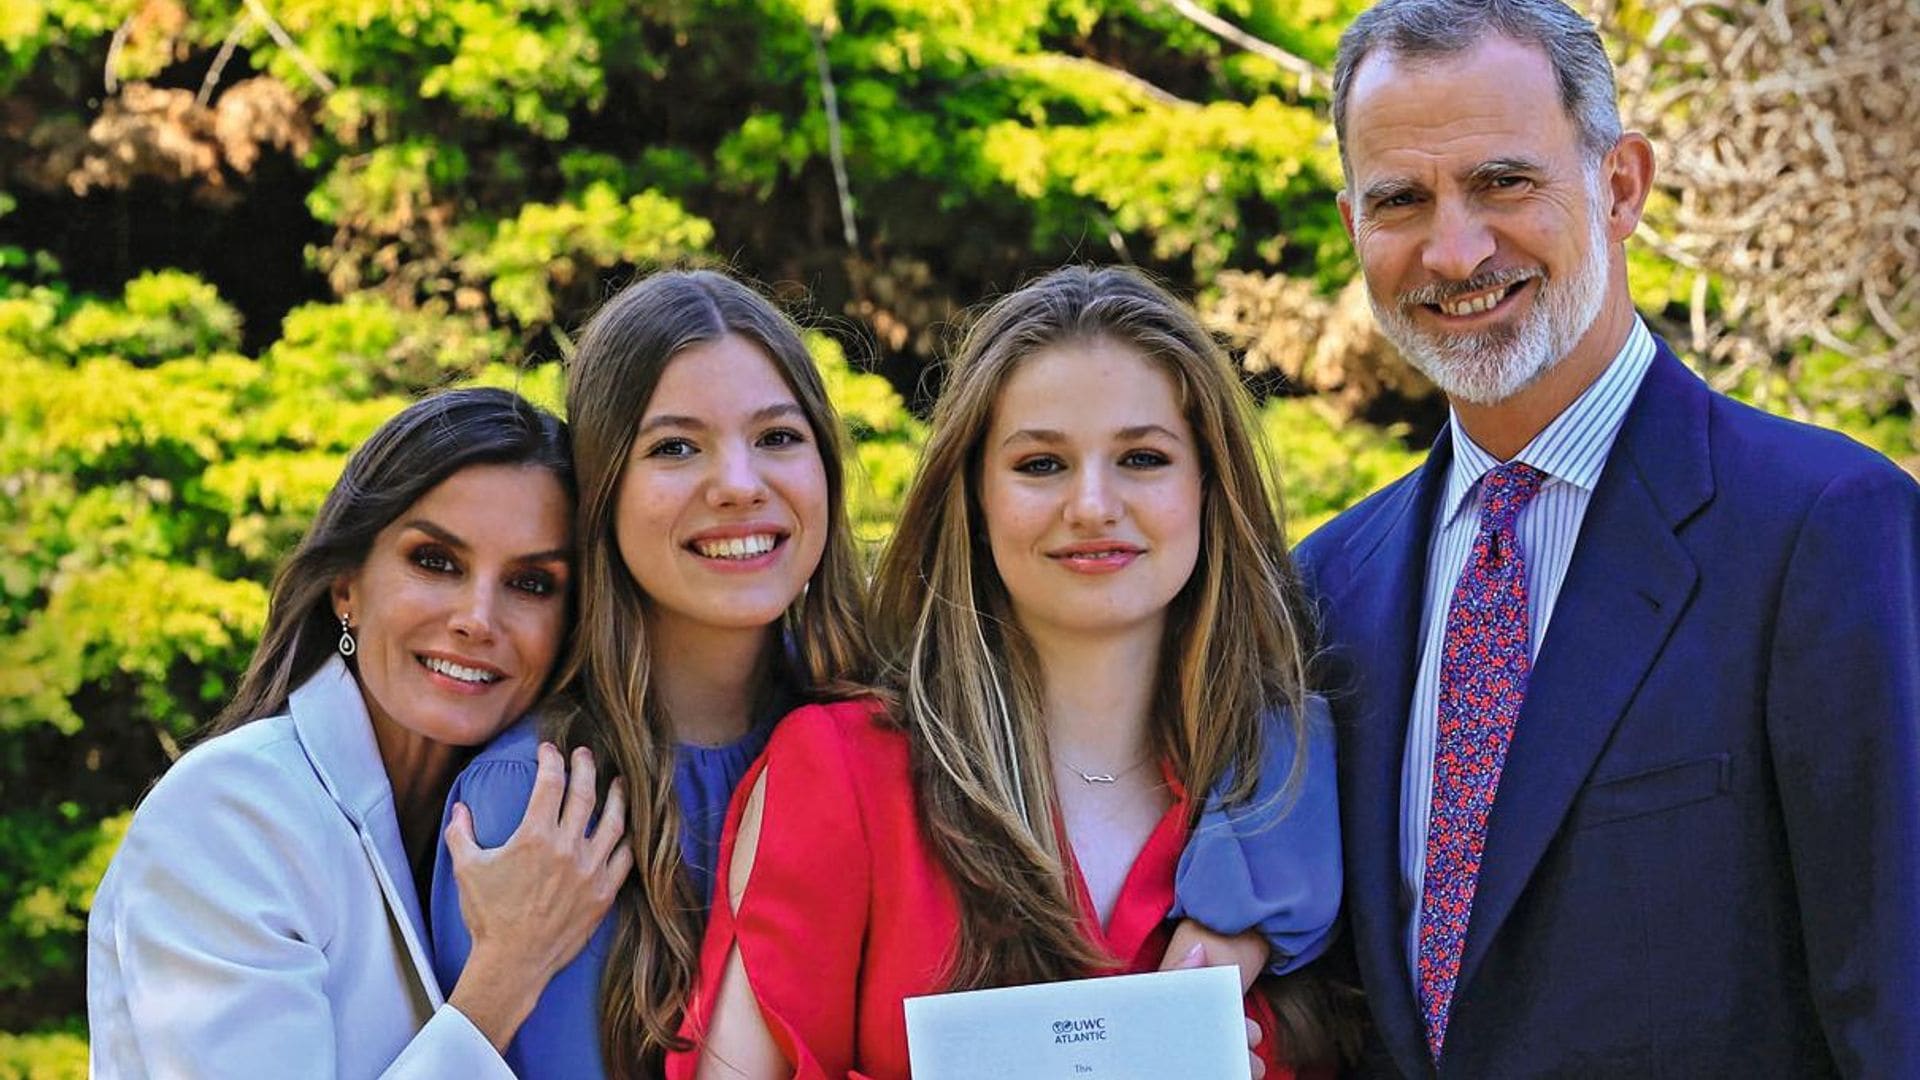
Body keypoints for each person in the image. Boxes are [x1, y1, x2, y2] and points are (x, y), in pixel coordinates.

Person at [1300, 0, 1920, 1075]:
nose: (1455, 249)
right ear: (1355, 224)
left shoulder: (1824, 527)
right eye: (1403, 199)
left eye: (1503, 182)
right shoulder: (1327, 587)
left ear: (1620, 185)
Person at [670, 265, 1342, 1080]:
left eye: (1142, 457)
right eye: (1041, 466)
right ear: (976, 500)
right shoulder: (843, 771)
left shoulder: (1290, 779)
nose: (1092, 504)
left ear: (1208, 486)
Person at [87, 388, 631, 1078]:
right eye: (436, 562)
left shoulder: (518, 824)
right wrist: (507, 974)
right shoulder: (230, 811)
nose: (478, 618)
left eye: (532, 583)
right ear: (347, 585)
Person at [429, 270, 876, 1079]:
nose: (740, 486)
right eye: (674, 447)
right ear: (602, 491)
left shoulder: (883, 739)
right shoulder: (536, 801)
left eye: (778, 437)